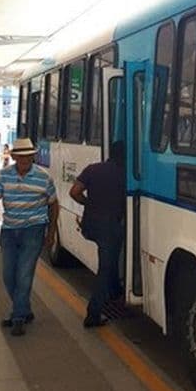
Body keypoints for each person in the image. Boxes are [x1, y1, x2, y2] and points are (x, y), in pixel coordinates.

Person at [0, 138, 58, 337]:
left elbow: (53, 204)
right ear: (14, 157)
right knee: (8, 274)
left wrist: (51, 232)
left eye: (28, 156)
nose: (24, 159)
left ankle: (17, 317)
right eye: (20, 156)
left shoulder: (43, 177)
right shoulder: (5, 176)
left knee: (24, 274)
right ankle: (24, 309)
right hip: (9, 230)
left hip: (34, 229)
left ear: (33, 156)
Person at [69, 140, 126, 328]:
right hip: (110, 227)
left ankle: (115, 293)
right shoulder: (125, 175)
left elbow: (74, 192)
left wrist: (88, 204)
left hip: (91, 225)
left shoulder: (93, 169)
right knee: (106, 269)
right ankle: (93, 314)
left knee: (109, 264)